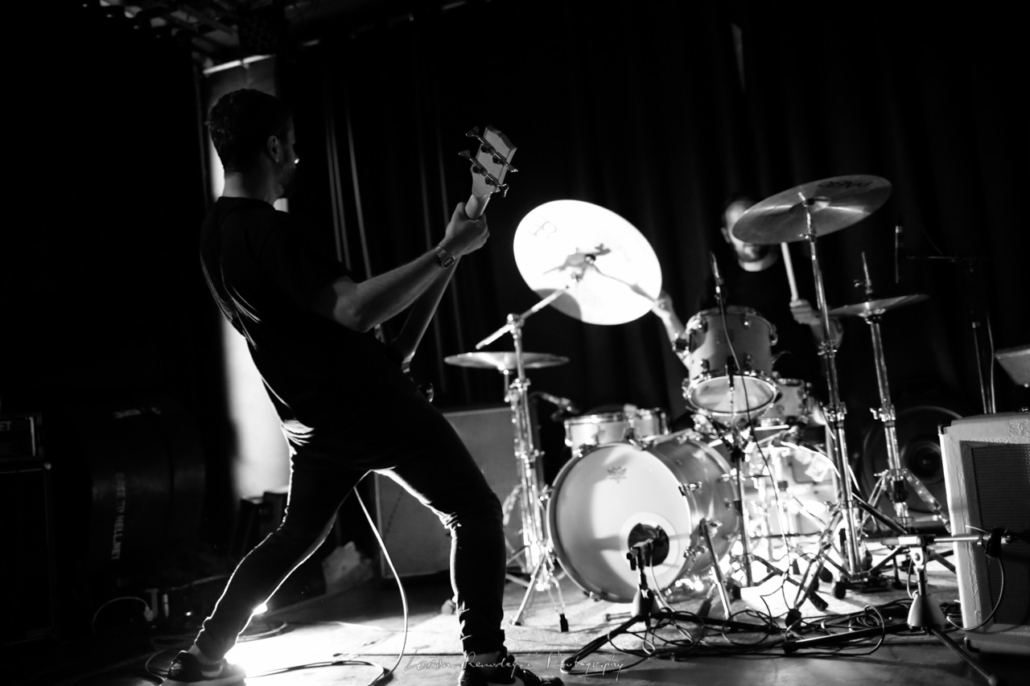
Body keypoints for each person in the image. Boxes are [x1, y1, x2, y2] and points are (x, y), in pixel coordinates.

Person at [165, 89, 560, 686]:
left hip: (311, 420)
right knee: (474, 511)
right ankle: (485, 664)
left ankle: (204, 655)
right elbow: (353, 311)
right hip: (371, 409)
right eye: (292, 146)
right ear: (273, 146)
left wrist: (448, 258)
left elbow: (386, 345)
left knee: (295, 536)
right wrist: (444, 248)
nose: (297, 159)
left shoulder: (213, 234)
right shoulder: (272, 231)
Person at [653, 194, 843, 415]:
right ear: (726, 235)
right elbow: (697, 361)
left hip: (805, 400)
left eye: (754, 223)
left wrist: (814, 319)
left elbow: (834, 342)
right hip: (745, 405)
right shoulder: (719, 286)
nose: (748, 235)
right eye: (738, 227)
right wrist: (668, 316)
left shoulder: (803, 272)